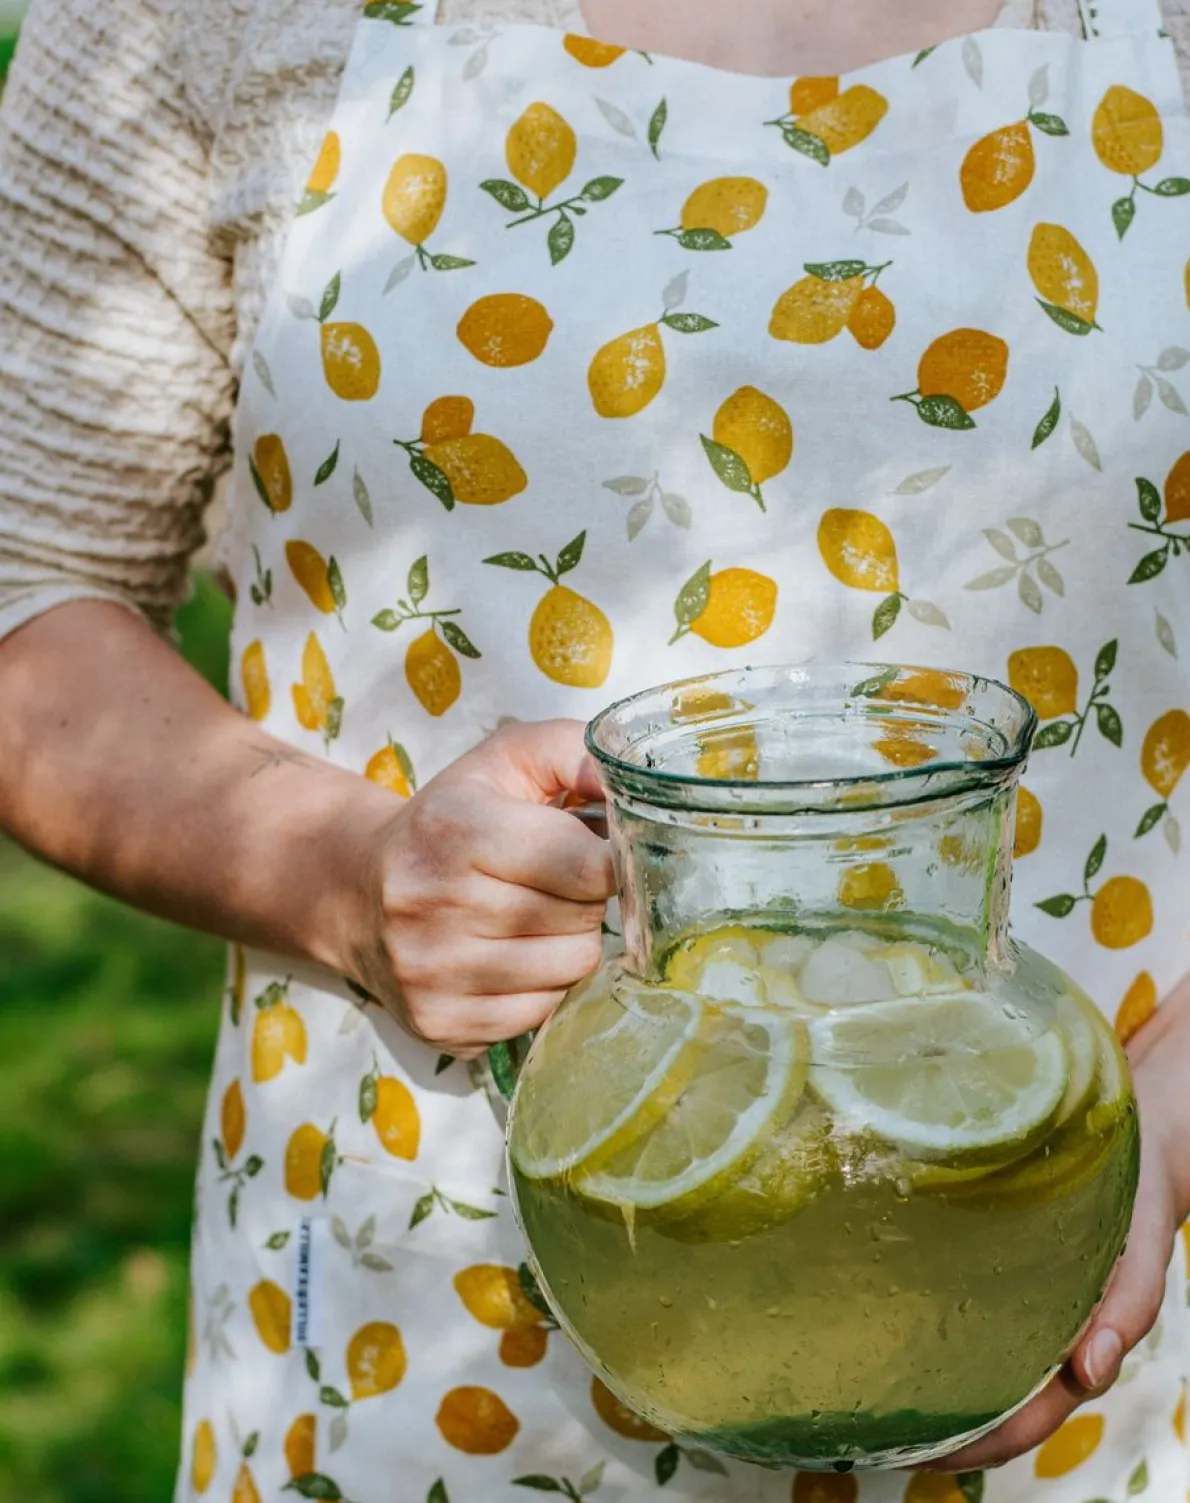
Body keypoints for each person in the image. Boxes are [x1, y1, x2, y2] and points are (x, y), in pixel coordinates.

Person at [1, 0, 1189, 1496]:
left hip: (1069, 1259)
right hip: (413, 1325)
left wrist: (1172, 1104)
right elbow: (30, 588)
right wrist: (345, 877)